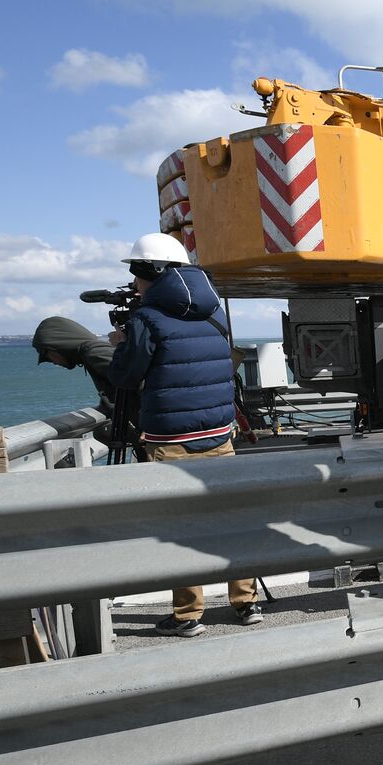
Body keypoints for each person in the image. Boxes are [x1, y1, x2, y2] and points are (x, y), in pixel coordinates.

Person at [107, 233, 262, 636]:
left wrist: (121, 344)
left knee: (182, 528)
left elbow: (126, 375)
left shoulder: (146, 319)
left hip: (170, 440)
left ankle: (188, 616)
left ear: (150, 274)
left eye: (136, 273)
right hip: (220, 434)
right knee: (230, 521)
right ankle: (246, 603)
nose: (134, 283)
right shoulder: (214, 313)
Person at [33, 316, 144, 461]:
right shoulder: (91, 353)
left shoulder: (94, 353)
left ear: (58, 346)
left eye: (48, 355)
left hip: (150, 426)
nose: (53, 362)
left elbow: (138, 380)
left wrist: (149, 424)